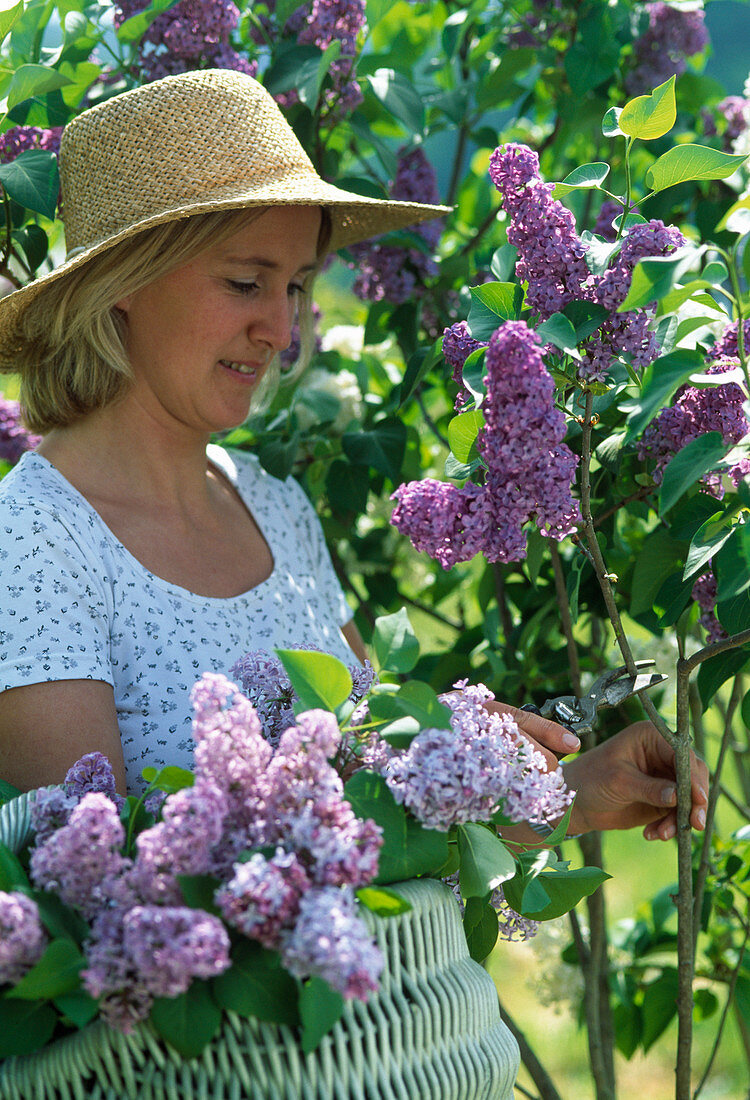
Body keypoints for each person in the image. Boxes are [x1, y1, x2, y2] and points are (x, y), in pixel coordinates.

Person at [0, 68, 707, 848]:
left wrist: (563, 788)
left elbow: (382, 791)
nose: (281, 328)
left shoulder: (272, 506)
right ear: (123, 282)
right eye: (245, 283)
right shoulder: (34, 543)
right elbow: (102, 884)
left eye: (297, 286)